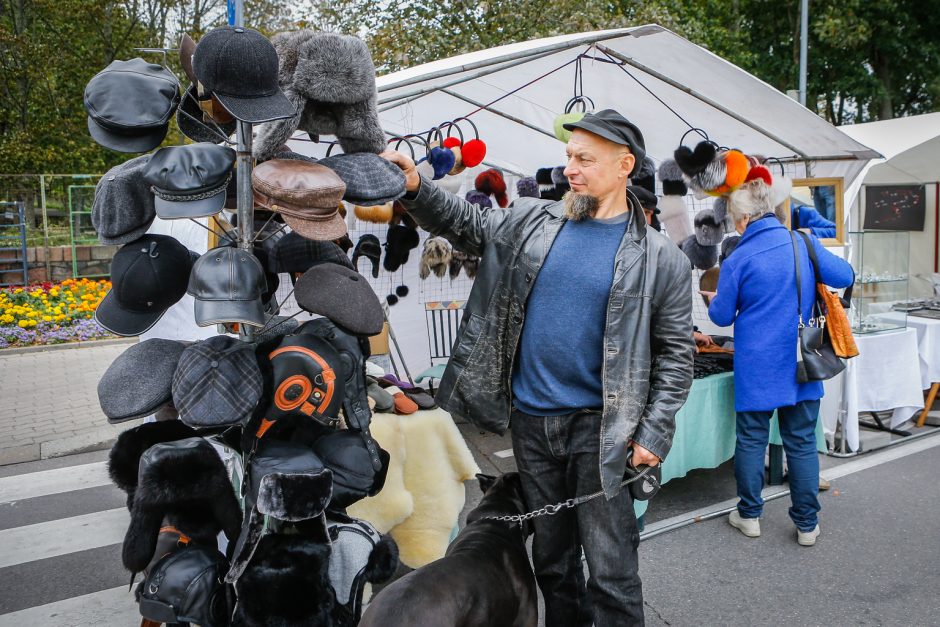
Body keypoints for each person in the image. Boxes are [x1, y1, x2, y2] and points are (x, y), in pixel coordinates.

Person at [382, 109, 693, 626]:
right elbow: (466, 223)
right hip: (531, 422)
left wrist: (654, 432)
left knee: (612, 572)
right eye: (569, 156)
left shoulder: (662, 258)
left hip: (603, 431)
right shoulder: (534, 220)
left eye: (585, 159)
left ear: (624, 166)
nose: (570, 168)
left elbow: (677, 355)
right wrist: (416, 186)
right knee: (553, 564)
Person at [705, 179, 853, 546]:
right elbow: (845, 276)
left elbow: (722, 317)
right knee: (801, 442)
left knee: (752, 440)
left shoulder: (738, 257)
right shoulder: (802, 242)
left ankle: (750, 515)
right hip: (804, 360)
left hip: (757, 367)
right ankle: (806, 525)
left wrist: (712, 298)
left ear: (741, 219)